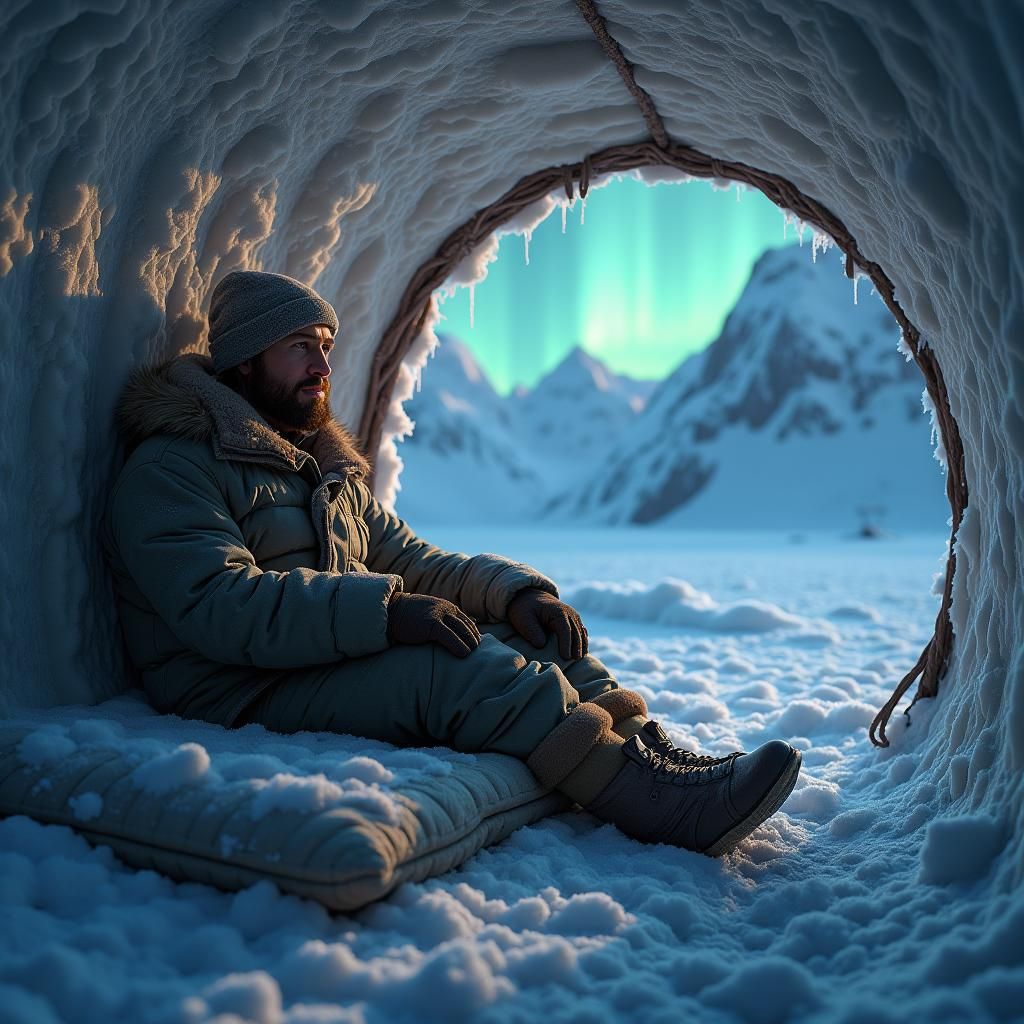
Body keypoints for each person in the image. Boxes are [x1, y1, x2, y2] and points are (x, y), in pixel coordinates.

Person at [101, 269, 801, 857]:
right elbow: (220, 605)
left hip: (308, 658)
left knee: (528, 641)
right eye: (297, 348)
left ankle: (647, 753)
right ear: (243, 361)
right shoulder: (174, 466)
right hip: (230, 684)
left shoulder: (315, 469)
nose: (322, 366)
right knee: (453, 670)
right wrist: (383, 612)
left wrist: (510, 594)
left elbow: (406, 556)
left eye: (324, 346)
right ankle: (657, 807)